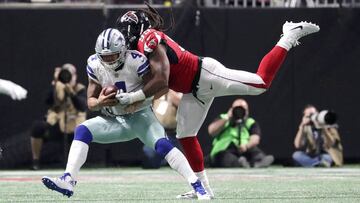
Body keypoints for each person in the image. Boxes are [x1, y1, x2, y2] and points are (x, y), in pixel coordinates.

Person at [116, 5, 320, 199]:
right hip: (192, 90)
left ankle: (288, 36)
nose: (124, 35)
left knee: (261, 83)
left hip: (206, 75)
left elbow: (162, 80)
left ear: (138, 28)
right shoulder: (143, 45)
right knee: (185, 135)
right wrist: (136, 99)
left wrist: (134, 98)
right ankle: (203, 188)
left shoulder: (148, 38)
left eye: (126, 30)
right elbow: (162, 85)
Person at [41, 28, 210, 200]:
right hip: (116, 120)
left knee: (163, 145)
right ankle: (68, 179)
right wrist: (100, 102)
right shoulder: (94, 63)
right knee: (82, 130)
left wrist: (135, 101)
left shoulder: (136, 60)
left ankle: (198, 185)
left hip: (141, 117)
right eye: (104, 56)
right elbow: (91, 102)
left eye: (112, 55)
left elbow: (159, 89)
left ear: (122, 51)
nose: (108, 60)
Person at [29, 64, 87, 170]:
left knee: (82, 132)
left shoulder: (80, 88)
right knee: (37, 127)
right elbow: (46, 101)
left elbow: (82, 107)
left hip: (74, 125)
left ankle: (76, 164)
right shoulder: (57, 86)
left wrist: (72, 93)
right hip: (56, 124)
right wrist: (56, 83)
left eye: (70, 74)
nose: (67, 77)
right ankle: (35, 161)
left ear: (75, 75)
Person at [208, 98, 274, 168]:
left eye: (242, 109)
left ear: (247, 111)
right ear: (231, 109)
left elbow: (255, 139)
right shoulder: (223, 118)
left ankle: (258, 162)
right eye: (236, 109)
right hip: (225, 149)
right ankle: (240, 163)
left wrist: (246, 146)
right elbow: (211, 131)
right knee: (226, 158)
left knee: (257, 153)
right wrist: (228, 117)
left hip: (244, 149)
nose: (239, 112)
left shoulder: (250, 122)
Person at [142, 89, 182, 169]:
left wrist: (169, 90)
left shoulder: (179, 93)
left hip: (173, 135)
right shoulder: (158, 93)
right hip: (156, 134)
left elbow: (182, 104)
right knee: (149, 161)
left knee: (181, 164)